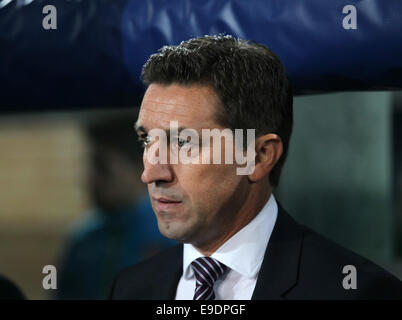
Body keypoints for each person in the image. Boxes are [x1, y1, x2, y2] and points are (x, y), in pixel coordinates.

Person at [109, 35, 402, 300]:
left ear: (260, 156)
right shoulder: (130, 288)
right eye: (147, 139)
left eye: (184, 142)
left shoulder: (358, 293)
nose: (151, 173)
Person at [56, 114, 175, 300]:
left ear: (142, 167)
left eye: (103, 168)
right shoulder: (84, 240)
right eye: (91, 167)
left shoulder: (174, 237)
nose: (90, 180)